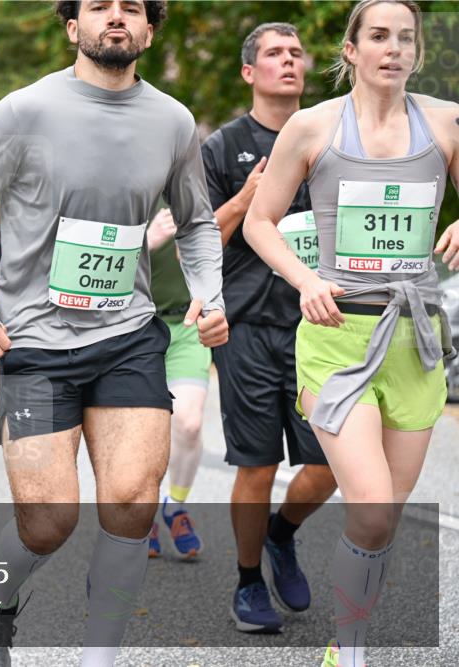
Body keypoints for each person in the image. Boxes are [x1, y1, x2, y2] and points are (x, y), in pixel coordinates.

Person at [0, 2, 228, 665]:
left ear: (150, 29)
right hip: (34, 340)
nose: (115, 17)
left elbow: (197, 221)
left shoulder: (173, 121)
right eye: (98, 6)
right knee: (49, 518)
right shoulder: (23, 112)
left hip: (127, 335)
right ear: (72, 27)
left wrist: (209, 294)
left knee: (129, 502)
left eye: (132, 8)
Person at [242, 2, 459, 664]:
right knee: (367, 509)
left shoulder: (447, 122)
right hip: (336, 336)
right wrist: (305, 281)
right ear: (352, 48)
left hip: (414, 339)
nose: (392, 49)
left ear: (417, 51)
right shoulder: (312, 127)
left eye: (405, 38)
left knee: (384, 517)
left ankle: (346, 628)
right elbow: (259, 221)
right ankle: (349, 649)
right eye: (378, 36)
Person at [200, 22, 339, 634]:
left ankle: (283, 533)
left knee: (333, 461)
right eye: (274, 54)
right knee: (255, 465)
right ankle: (249, 578)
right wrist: (247, 199)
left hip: (325, 322)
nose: (289, 61)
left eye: (296, 53)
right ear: (249, 73)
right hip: (250, 326)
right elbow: (199, 238)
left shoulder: (333, 138)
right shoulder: (224, 146)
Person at [145, 207, 210, 560]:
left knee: (188, 423)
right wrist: (148, 241)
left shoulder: (199, 188)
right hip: (138, 327)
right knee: (145, 429)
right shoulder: (130, 179)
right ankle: (145, 511)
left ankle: (173, 506)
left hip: (187, 325)